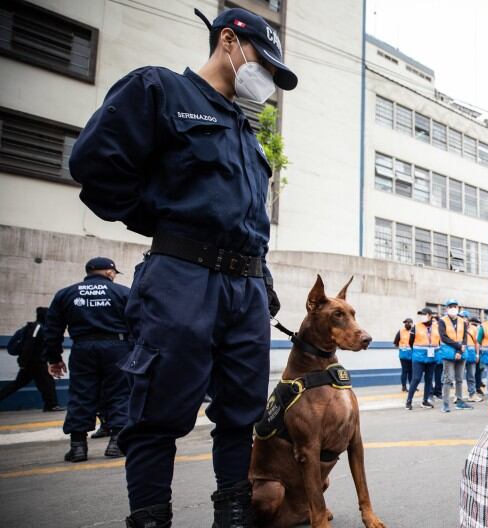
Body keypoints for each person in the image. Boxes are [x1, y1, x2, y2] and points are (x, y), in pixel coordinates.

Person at [67, 6, 296, 526]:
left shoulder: (247, 132)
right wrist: (163, 227)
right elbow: (94, 165)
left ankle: (232, 517)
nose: (268, 82)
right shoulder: (161, 90)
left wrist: (263, 283)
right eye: (264, 63)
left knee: (242, 414)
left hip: (246, 286)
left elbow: (250, 220)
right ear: (229, 41)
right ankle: (152, 519)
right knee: (157, 414)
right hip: (181, 279)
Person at [43, 258, 130, 463]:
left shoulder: (66, 294)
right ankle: (117, 443)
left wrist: (54, 358)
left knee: (81, 394)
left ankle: (78, 447)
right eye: (114, 273)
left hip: (82, 348)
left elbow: (52, 329)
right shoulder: (123, 293)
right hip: (117, 347)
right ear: (109, 272)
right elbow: (138, 322)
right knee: (120, 393)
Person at [0, 307, 63, 412]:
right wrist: (24, 362)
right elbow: (30, 346)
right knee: (47, 383)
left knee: (20, 384)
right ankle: (51, 405)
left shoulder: (35, 327)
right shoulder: (38, 328)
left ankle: (51, 405)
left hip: (32, 362)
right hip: (34, 362)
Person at [437, 300, 473, 412]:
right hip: (448, 353)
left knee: (459, 379)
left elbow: (465, 338)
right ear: (447, 308)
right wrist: (458, 347)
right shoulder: (442, 321)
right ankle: (445, 405)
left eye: (455, 306)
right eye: (451, 306)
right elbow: (443, 337)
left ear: (458, 308)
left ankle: (460, 402)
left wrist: (460, 351)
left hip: (461, 353)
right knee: (448, 379)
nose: (453, 308)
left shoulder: (463, 321)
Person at [406, 308, 439, 410]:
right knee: (416, 379)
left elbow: (439, 341)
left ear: (430, 315)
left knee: (429, 379)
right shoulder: (415, 327)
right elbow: (410, 342)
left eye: (424, 314)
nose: (422, 316)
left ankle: (425, 401)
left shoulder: (437, 327)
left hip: (432, 357)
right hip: (418, 358)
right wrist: (418, 351)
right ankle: (408, 401)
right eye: (421, 314)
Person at [463, 315, 483, 403]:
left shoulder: (474, 329)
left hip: (471, 355)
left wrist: (477, 354)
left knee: (471, 375)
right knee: (458, 376)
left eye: (464, 317)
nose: (463, 319)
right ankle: (458, 396)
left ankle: (472, 394)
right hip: (460, 354)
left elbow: (477, 342)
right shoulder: (457, 328)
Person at [394, 318, 415, 391]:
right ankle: (404, 387)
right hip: (403, 355)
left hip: (412, 354)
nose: (406, 324)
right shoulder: (401, 331)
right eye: (405, 323)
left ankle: (412, 386)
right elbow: (395, 342)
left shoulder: (414, 331)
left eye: (408, 322)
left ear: (411, 323)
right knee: (405, 370)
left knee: (411, 371)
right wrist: (402, 348)